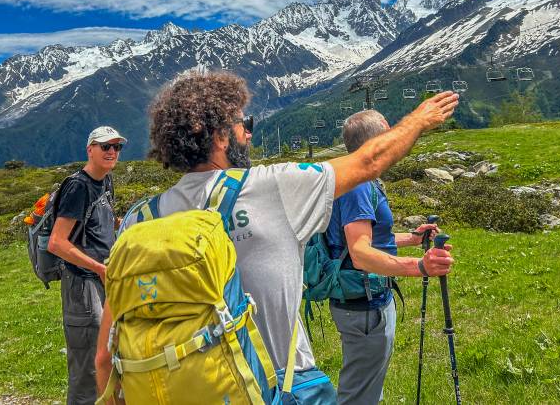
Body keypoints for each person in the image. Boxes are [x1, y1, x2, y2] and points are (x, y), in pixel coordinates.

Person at [95, 71, 458, 401]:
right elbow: (368, 162)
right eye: (244, 124)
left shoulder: (138, 221)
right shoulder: (272, 187)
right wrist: (419, 119)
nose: (249, 133)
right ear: (220, 136)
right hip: (276, 386)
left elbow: (104, 357)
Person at [326, 110, 445, 404]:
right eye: (390, 133)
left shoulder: (362, 180)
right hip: (364, 307)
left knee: (368, 388)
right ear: (376, 141)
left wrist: (412, 239)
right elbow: (360, 253)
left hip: (367, 301)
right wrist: (420, 266)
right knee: (358, 395)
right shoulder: (358, 186)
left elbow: (370, 239)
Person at [48, 126, 126, 405]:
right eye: (105, 146)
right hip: (83, 284)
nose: (112, 152)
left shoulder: (105, 180)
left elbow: (102, 222)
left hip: (104, 278)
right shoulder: (78, 187)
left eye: (116, 147)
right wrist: (98, 268)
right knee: (88, 364)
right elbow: (56, 242)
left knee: (112, 353)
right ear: (90, 149)